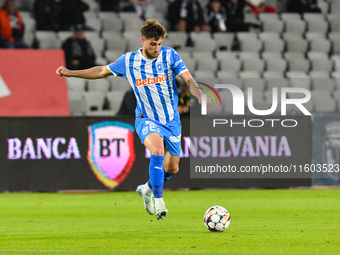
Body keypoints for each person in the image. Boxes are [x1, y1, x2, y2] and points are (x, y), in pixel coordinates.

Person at [56, 19, 210, 220]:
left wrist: (198, 94)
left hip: (171, 120)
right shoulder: (129, 61)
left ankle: (146, 189)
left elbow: (187, 78)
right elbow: (102, 70)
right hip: (146, 118)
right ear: (143, 42)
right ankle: (159, 201)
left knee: (172, 168)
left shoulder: (169, 55)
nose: (156, 48)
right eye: (152, 44)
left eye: (159, 44)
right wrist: (71, 73)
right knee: (156, 150)